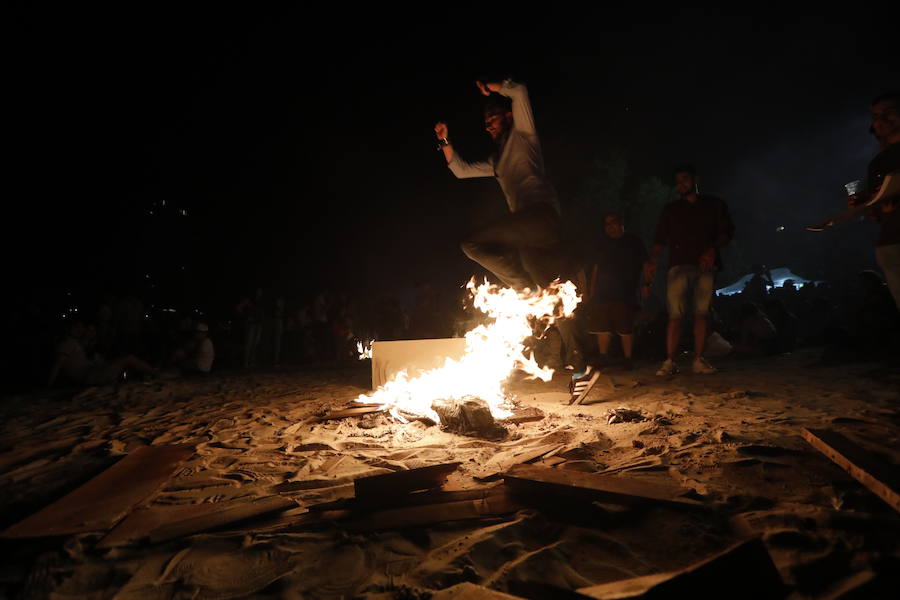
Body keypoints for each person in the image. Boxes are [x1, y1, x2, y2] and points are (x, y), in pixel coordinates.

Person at [434, 78, 596, 401]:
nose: (488, 128)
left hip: (540, 217)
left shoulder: (524, 136)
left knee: (473, 244)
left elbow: (520, 90)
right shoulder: (496, 162)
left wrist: (494, 88)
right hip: (533, 238)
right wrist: (444, 141)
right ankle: (582, 369)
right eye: (485, 125)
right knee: (553, 301)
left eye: (492, 120)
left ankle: (522, 288)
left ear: (507, 117)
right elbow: (461, 170)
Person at [644, 165, 735, 375]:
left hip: (705, 267)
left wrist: (712, 249)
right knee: (675, 315)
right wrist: (652, 261)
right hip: (678, 266)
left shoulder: (714, 205)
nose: (680, 185)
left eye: (684, 179)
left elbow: (726, 232)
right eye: (677, 182)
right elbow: (659, 239)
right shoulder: (671, 209)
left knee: (701, 314)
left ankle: (698, 359)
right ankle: (669, 361)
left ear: (695, 179)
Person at [585, 212, 647, 370]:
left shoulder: (633, 241)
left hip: (626, 290)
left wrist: (646, 285)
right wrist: (591, 291)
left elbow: (645, 265)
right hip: (602, 292)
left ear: (621, 223)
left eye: (613, 223)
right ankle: (603, 356)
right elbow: (596, 268)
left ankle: (628, 358)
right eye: (607, 224)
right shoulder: (602, 243)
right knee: (601, 326)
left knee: (625, 325)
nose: (610, 227)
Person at [855, 92, 900, 308]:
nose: (881, 120)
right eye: (875, 116)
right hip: (892, 243)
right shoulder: (878, 164)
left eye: (888, 113)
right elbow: (875, 211)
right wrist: (868, 207)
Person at [48, 318, 158, 387]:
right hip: (88, 376)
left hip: (91, 372)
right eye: (77, 328)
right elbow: (57, 364)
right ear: (69, 328)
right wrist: (50, 384)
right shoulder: (68, 342)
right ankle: (154, 372)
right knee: (128, 358)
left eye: (81, 328)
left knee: (123, 362)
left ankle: (147, 374)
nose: (80, 330)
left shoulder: (76, 343)